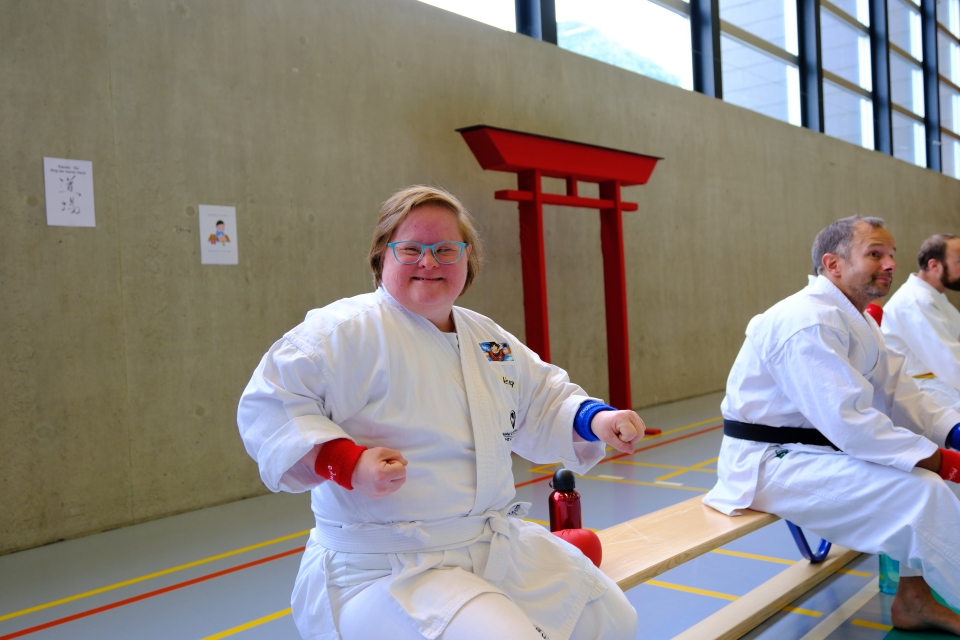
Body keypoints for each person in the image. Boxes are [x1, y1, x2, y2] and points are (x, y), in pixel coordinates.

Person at [238, 186, 643, 640]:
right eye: (411, 249)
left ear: (468, 257)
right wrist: (347, 463)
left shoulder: (486, 338)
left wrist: (597, 420)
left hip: (491, 547)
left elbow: (541, 396)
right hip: (386, 568)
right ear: (382, 257)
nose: (429, 262)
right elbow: (271, 407)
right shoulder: (341, 332)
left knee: (612, 620)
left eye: (445, 250)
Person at [704, 216, 960, 634]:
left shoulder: (858, 320)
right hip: (770, 462)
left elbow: (900, 393)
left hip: (813, 451)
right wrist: (945, 462)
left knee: (928, 481)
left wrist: (952, 433)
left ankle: (914, 600)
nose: (890, 264)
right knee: (923, 493)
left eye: (891, 255)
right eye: (875, 254)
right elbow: (851, 424)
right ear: (833, 264)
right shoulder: (807, 320)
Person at [881, 234, 960, 417]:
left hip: (939, 382)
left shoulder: (931, 296)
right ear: (934, 265)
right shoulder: (916, 301)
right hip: (921, 390)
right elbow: (949, 362)